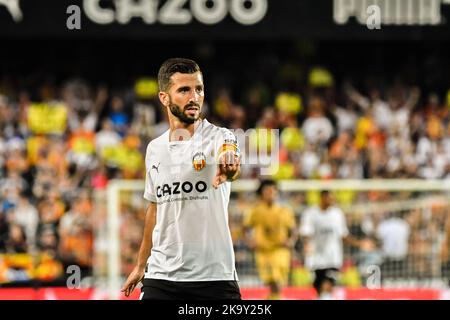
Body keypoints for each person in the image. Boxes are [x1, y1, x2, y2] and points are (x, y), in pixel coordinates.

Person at [121, 58, 242, 300]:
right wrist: (141, 265)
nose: (194, 97)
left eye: (199, 89)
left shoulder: (221, 137)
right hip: (161, 276)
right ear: (164, 98)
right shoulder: (155, 149)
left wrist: (229, 168)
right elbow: (154, 209)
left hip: (214, 276)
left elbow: (230, 159)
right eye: (184, 90)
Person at [299, 190, 360, 300]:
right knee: (319, 289)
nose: (331, 201)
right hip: (315, 258)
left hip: (333, 257)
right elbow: (305, 232)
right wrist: (307, 244)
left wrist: (359, 243)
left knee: (327, 285)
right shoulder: (311, 213)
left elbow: (343, 235)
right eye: (328, 198)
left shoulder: (337, 214)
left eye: (332, 198)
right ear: (322, 198)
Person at [243, 179, 297, 300]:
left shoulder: (284, 210)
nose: (271, 193)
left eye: (273, 190)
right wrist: (249, 241)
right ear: (261, 193)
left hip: (280, 250)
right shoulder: (255, 211)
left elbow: (293, 229)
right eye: (268, 190)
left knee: (276, 279)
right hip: (262, 251)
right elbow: (245, 228)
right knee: (270, 281)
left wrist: (291, 241)